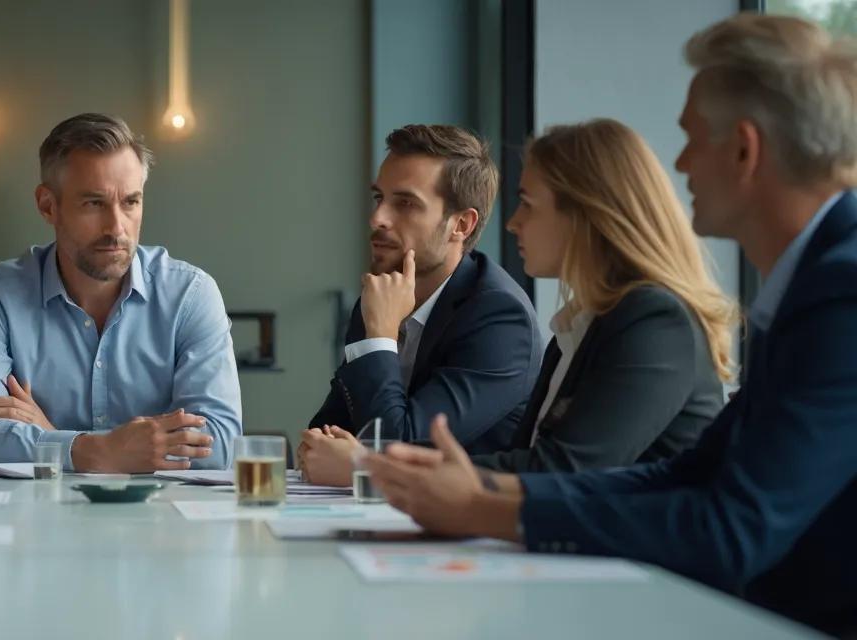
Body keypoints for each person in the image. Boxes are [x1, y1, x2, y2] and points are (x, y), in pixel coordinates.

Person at [364, 15, 857, 636]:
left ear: (744, 150)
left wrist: (488, 511)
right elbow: (691, 473)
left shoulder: (841, 292)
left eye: (692, 137)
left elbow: (731, 529)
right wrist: (488, 500)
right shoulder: (815, 280)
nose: (679, 162)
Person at [301, 119, 734, 481]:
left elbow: (561, 471)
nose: (511, 223)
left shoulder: (653, 322)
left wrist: (369, 465)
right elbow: (530, 459)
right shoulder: (581, 324)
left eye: (527, 203)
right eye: (379, 199)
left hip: (648, 576)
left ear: (586, 214)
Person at [0, 113, 242, 472]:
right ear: (47, 206)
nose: (116, 228)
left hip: (162, 520)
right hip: (38, 520)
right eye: (94, 203)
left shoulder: (190, 294)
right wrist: (98, 450)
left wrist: (57, 438)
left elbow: (220, 443)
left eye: (130, 202)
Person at [300, 124, 541, 477]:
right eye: (379, 198)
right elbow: (325, 434)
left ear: (461, 224)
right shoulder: (384, 296)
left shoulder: (500, 318)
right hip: (378, 516)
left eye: (406, 203)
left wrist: (380, 337)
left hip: (464, 527)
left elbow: (399, 446)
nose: (377, 219)